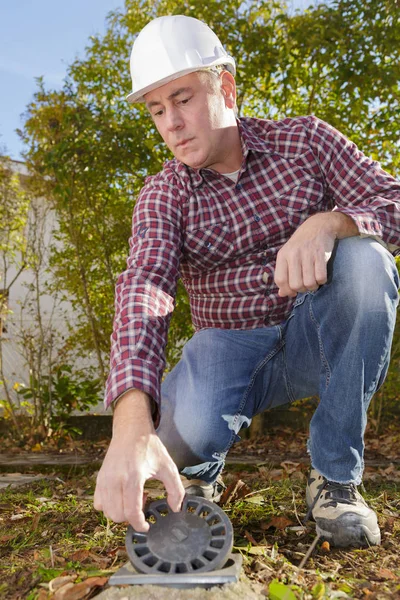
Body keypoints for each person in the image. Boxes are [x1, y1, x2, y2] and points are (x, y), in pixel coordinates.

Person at [94, 15, 400, 547]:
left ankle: (335, 479)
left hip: (315, 336)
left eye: (182, 99)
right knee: (176, 440)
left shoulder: (305, 141)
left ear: (226, 88)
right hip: (225, 351)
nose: (171, 123)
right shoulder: (165, 194)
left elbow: (393, 200)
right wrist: (129, 426)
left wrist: (334, 223)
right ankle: (196, 473)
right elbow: (145, 289)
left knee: (368, 262)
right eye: (156, 109)